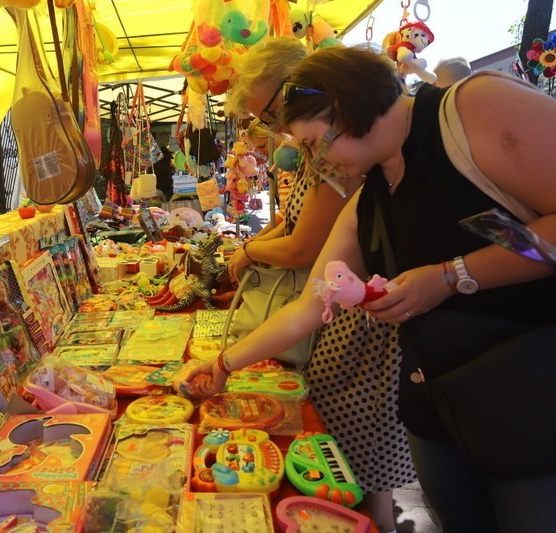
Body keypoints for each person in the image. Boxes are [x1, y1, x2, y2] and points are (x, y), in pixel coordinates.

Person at [181, 45, 556, 531]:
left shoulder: (470, 108)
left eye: (314, 142)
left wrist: (450, 276)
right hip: (438, 400)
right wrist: (223, 363)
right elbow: (309, 306)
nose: (315, 161)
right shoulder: (370, 192)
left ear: (343, 105)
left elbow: (537, 244)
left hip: (529, 396)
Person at [224, 36, 415, 532]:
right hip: (355, 313)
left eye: (273, 115)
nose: (277, 132)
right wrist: (224, 363)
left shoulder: (348, 164)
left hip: (374, 330)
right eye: (268, 121)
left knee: (364, 453)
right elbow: (308, 292)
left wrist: (448, 277)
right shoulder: (356, 179)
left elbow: (301, 249)